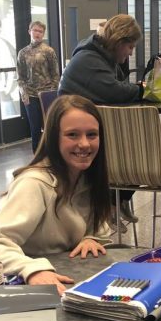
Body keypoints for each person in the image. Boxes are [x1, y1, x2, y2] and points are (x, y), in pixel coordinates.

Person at [0, 95, 113, 294]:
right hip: (32, 290)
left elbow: (99, 228)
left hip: (70, 280)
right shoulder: (33, 184)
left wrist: (90, 238)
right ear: (53, 138)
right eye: (73, 135)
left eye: (92, 134)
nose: (84, 144)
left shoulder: (88, 177)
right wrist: (31, 270)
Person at [58, 14, 143, 222]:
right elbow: (115, 91)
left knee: (140, 147)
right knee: (139, 151)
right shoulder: (89, 59)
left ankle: (118, 200)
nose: (130, 53)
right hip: (75, 129)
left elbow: (120, 86)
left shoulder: (101, 57)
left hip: (89, 125)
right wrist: (142, 90)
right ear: (119, 42)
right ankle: (113, 203)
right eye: (130, 47)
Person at [17, 20, 61, 153]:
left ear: (43, 34)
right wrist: (24, 94)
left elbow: (55, 75)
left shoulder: (49, 51)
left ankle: (53, 155)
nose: (37, 33)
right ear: (30, 31)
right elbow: (21, 77)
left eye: (40, 31)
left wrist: (52, 93)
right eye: (35, 30)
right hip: (30, 95)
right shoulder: (23, 53)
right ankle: (37, 156)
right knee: (35, 129)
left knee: (50, 126)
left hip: (47, 95)